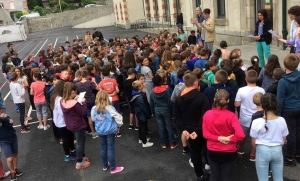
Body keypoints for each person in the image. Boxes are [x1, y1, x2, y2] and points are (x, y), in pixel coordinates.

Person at [173, 73, 210, 180]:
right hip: (202, 129)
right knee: (208, 148)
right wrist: (198, 131)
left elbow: (176, 116)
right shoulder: (202, 97)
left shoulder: (179, 99)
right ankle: (211, 166)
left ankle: (199, 174)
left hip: (189, 130)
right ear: (195, 83)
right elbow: (205, 116)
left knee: (195, 152)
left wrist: (183, 129)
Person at [203, 89, 245, 181]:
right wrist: (228, 138)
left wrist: (218, 138)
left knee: (214, 176)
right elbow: (241, 135)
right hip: (229, 151)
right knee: (228, 177)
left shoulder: (207, 114)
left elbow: (205, 134)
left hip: (213, 150)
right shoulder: (232, 116)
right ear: (228, 101)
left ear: (214, 99)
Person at [250, 93, 289, 181]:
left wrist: (256, 150)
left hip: (262, 150)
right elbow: (284, 140)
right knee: (279, 178)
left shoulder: (256, 122)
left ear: (262, 105)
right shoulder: (282, 120)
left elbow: (253, 142)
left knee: (263, 178)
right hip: (277, 150)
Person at [91, 90, 124, 174]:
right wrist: (118, 126)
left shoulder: (94, 108)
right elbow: (119, 118)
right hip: (110, 131)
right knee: (111, 148)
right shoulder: (110, 108)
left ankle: (105, 165)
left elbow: (93, 119)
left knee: (103, 148)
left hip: (100, 131)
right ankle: (113, 168)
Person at [277, 54, 300, 166]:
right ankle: (298, 154)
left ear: (284, 65)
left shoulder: (283, 81)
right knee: (298, 131)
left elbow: (279, 100)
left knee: (291, 133)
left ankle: (290, 158)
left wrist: (278, 114)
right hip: (299, 107)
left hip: (288, 109)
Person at [61, 82, 91, 170]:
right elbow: (83, 112)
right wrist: (83, 102)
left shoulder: (62, 101)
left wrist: (74, 98)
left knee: (80, 140)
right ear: (72, 91)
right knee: (80, 142)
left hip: (70, 124)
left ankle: (81, 157)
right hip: (79, 124)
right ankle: (79, 162)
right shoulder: (75, 103)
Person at [234, 70, 265, 155]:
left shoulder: (241, 90)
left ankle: (240, 148)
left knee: (243, 135)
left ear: (245, 79)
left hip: (244, 118)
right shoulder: (262, 90)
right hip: (259, 117)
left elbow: (237, 104)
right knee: (256, 136)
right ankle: (253, 153)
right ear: (257, 79)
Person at [50, 80, 76, 161]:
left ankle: (72, 150)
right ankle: (67, 155)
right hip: (63, 122)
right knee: (66, 138)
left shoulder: (54, 97)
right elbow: (62, 112)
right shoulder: (60, 99)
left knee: (69, 137)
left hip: (58, 121)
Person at [150, 74, 178, 149]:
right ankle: (172, 143)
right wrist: (172, 112)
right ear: (160, 81)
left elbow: (151, 103)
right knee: (169, 126)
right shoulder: (165, 91)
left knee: (160, 126)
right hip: (166, 110)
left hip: (157, 110)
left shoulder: (152, 92)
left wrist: (153, 113)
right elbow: (169, 102)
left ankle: (163, 143)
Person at [0, 110, 23, 181]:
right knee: (9, 159)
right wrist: (5, 119)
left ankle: (15, 168)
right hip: (4, 141)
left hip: (13, 137)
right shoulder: (4, 117)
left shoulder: (5, 116)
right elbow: (8, 120)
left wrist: (6, 119)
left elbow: (11, 123)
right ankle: (12, 171)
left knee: (15, 154)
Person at [75, 70, 99, 139]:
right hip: (92, 100)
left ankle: (93, 132)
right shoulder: (89, 82)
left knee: (89, 117)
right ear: (86, 76)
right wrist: (94, 82)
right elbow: (97, 88)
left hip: (84, 102)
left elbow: (76, 93)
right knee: (96, 114)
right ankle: (99, 129)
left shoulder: (77, 84)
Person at [99, 67, 121, 137]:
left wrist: (108, 94)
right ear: (109, 73)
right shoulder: (114, 80)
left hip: (106, 100)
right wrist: (112, 94)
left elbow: (101, 93)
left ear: (102, 74)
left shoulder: (101, 83)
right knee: (116, 114)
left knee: (108, 115)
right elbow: (117, 91)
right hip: (115, 98)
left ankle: (111, 129)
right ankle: (118, 131)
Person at [131, 80, 153, 148]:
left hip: (139, 113)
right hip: (142, 113)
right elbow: (144, 107)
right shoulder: (140, 97)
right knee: (143, 127)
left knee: (141, 126)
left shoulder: (136, 95)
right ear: (139, 87)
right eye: (141, 84)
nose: (143, 85)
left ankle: (141, 139)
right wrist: (148, 114)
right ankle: (144, 142)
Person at [249, 92, 264, 162]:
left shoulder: (255, 115)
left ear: (253, 101)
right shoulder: (266, 112)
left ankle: (253, 153)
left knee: (255, 142)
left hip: (257, 132)